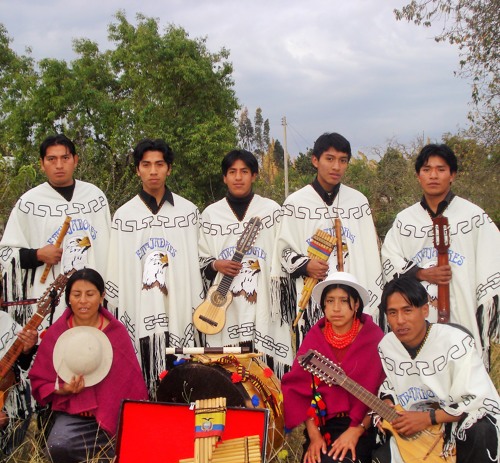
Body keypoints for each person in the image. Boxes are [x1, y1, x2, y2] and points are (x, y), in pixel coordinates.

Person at [376, 275, 499, 463]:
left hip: (456, 425)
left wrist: (430, 418)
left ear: (425, 310)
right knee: (381, 460)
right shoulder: (387, 346)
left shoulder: (455, 341)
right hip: (418, 434)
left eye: (407, 310)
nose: (400, 320)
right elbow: (390, 384)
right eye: (392, 313)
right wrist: (388, 402)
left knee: (482, 433)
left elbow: (478, 401)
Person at [381, 143, 500, 369]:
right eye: (426, 170)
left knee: (464, 372)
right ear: (418, 176)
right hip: (417, 315)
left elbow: (493, 259)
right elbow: (389, 258)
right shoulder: (405, 221)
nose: (433, 175)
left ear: (452, 175)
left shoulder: (474, 217)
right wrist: (422, 273)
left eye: (441, 169)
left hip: (463, 308)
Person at [105, 138, 203, 397]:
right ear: (137, 169)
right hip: (140, 311)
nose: (153, 171)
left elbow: (197, 264)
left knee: (181, 385)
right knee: (142, 383)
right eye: (146, 165)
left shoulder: (188, 213)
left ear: (169, 168)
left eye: (159, 164)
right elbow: (117, 269)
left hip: (179, 310)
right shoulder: (124, 216)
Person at [271, 132, 383, 351]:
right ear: (315, 160)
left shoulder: (358, 202)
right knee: (317, 360)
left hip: (352, 297)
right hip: (313, 299)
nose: (336, 167)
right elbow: (283, 250)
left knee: (354, 358)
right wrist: (306, 265)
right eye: (329, 159)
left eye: (343, 161)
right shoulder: (295, 203)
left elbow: (369, 252)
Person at [28, 268, 147, 463]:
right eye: (76, 295)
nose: (83, 301)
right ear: (68, 299)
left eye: (90, 294)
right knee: (58, 448)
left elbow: (130, 383)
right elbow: (40, 381)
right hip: (74, 417)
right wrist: (63, 390)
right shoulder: (57, 333)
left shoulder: (115, 332)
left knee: (137, 445)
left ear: (101, 297)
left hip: (112, 415)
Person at [282, 272, 385, 463]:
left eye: (343, 301)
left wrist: (356, 431)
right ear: (323, 306)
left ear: (356, 304)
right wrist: (314, 435)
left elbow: (380, 392)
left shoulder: (373, 338)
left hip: (363, 424)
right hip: (324, 423)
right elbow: (301, 390)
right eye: (330, 301)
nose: (336, 308)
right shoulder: (314, 337)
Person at [0, 134, 111, 329]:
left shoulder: (95, 198)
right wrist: (38, 254)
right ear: (42, 164)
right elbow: (5, 254)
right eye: (52, 159)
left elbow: (109, 247)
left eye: (65, 158)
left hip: (92, 297)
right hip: (49, 301)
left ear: (75, 160)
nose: (59, 165)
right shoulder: (29, 203)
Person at [198, 150, 293, 375]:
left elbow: (284, 252)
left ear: (254, 175)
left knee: (263, 370)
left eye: (244, 171)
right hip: (224, 305)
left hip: (263, 302)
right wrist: (216, 265)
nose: (238, 177)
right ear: (224, 177)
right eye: (232, 172)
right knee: (229, 371)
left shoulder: (271, 211)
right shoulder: (211, 214)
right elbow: (200, 258)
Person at [0, 274, 38, 455]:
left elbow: (23, 368)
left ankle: (8, 452)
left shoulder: (7, 324)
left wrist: (26, 351)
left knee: (21, 389)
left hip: (4, 407)